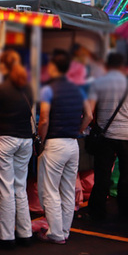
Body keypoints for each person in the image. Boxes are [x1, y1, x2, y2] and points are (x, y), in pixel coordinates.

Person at [36, 49, 93, 244]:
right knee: (68, 190)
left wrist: (40, 139)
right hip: (73, 144)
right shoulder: (79, 89)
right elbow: (89, 116)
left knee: (51, 190)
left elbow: (43, 119)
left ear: (52, 67)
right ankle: (65, 231)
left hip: (55, 143)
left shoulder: (48, 89)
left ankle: (56, 234)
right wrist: (78, 130)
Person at [87, 52, 128, 221]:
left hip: (106, 135)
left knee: (102, 174)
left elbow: (90, 111)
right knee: (126, 175)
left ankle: (98, 212)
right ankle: (126, 211)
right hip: (126, 135)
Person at [0, 50, 34, 248]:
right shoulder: (28, 88)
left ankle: (7, 237)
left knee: (5, 189)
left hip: (6, 140)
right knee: (19, 187)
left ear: (4, 66)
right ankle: (25, 233)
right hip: (26, 140)